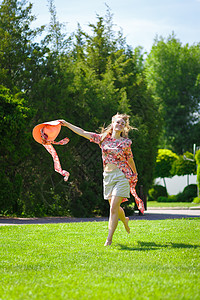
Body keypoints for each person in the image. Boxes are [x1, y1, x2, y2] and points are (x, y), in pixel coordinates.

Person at [60, 113, 144, 246]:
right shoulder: (102, 138)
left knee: (113, 208)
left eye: (122, 123)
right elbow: (82, 132)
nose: (120, 124)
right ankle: (125, 220)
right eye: (118, 122)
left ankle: (109, 240)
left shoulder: (126, 142)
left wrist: (135, 173)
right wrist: (66, 123)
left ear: (124, 127)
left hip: (122, 175)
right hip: (108, 176)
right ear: (113, 122)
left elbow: (130, 159)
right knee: (114, 206)